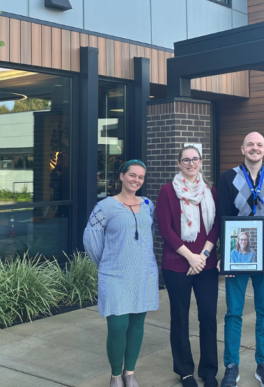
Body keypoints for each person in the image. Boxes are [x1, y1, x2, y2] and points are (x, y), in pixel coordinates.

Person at [217, 131, 264, 387]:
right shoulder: (228, 178)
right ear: (242, 148)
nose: (254, 148)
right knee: (233, 311)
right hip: (238, 250)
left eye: (259, 145)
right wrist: (224, 253)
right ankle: (231, 365)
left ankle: (263, 364)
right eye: (250, 144)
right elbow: (222, 214)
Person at [83, 159, 159, 387]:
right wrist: (107, 263)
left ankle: (130, 372)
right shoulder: (105, 206)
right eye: (132, 175)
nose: (136, 180)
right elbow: (91, 239)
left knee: (137, 324)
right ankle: (116, 374)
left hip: (143, 273)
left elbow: (149, 235)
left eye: (141, 177)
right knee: (117, 326)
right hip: (115, 275)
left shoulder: (148, 204)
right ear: (121, 176)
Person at [157, 146, 220, 387]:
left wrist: (202, 255)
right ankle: (185, 371)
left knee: (208, 316)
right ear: (179, 163)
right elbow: (166, 230)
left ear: (201, 162)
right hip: (177, 265)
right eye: (186, 160)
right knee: (180, 317)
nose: (191, 163)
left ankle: (209, 370)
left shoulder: (210, 191)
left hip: (207, 262)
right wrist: (191, 258)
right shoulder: (167, 192)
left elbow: (215, 226)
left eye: (195, 159)